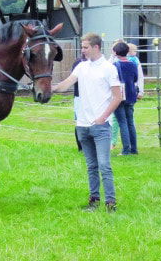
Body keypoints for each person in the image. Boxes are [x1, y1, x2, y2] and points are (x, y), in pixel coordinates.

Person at [52, 33, 122, 212]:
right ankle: (94, 201)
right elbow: (65, 85)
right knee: (91, 166)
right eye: (82, 47)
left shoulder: (109, 68)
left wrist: (103, 117)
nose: (82, 50)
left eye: (85, 47)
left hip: (100, 126)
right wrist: (46, 88)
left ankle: (111, 203)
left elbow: (117, 97)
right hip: (82, 125)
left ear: (96, 47)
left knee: (104, 165)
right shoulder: (81, 67)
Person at [112, 42, 139, 155]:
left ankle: (126, 150)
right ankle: (134, 149)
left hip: (119, 96)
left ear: (116, 52)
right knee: (130, 122)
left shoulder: (115, 65)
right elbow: (135, 78)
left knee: (122, 122)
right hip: (131, 95)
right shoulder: (133, 64)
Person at [72, 53, 86, 152]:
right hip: (80, 95)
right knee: (80, 121)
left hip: (93, 96)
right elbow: (73, 79)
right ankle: (81, 147)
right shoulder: (78, 63)